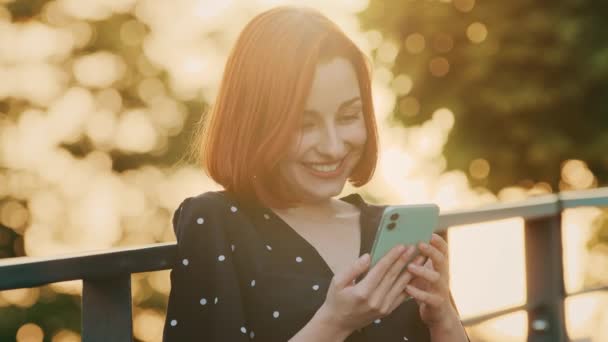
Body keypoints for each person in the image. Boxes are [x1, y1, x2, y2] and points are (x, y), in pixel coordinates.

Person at [163, 5, 469, 342]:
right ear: (254, 124)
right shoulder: (217, 222)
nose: (334, 147)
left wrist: (443, 319)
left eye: (348, 116)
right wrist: (334, 323)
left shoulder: (386, 229)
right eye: (304, 124)